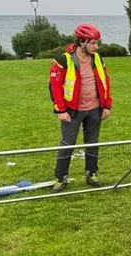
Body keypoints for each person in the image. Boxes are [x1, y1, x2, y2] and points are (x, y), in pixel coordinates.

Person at [48, 23, 112, 192]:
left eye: (97, 42)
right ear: (82, 41)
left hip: (94, 109)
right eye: (93, 43)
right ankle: (61, 178)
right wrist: (60, 110)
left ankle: (91, 174)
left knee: (92, 142)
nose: (96, 46)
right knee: (67, 144)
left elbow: (105, 82)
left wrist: (106, 106)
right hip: (72, 111)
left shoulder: (97, 58)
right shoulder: (64, 59)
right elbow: (54, 86)